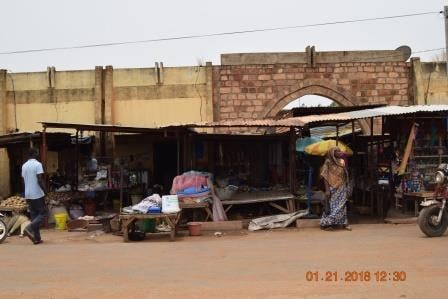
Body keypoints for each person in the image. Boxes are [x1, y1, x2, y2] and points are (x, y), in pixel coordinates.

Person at [320, 147, 352, 231]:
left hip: (342, 187)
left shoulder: (342, 162)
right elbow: (325, 176)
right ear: (332, 153)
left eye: (339, 151)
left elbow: (345, 174)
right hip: (332, 188)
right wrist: (327, 190)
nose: (339, 152)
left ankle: (345, 223)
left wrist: (347, 186)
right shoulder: (328, 162)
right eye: (336, 151)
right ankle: (327, 224)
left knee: (342, 206)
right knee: (331, 206)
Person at [22, 148, 47, 244]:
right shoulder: (38, 164)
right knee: (44, 213)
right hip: (37, 193)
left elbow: (23, 181)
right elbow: (40, 180)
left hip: (28, 193)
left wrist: (25, 192)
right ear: (36, 154)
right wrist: (45, 192)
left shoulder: (24, 166)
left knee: (34, 215)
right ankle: (29, 227)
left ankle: (36, 238)